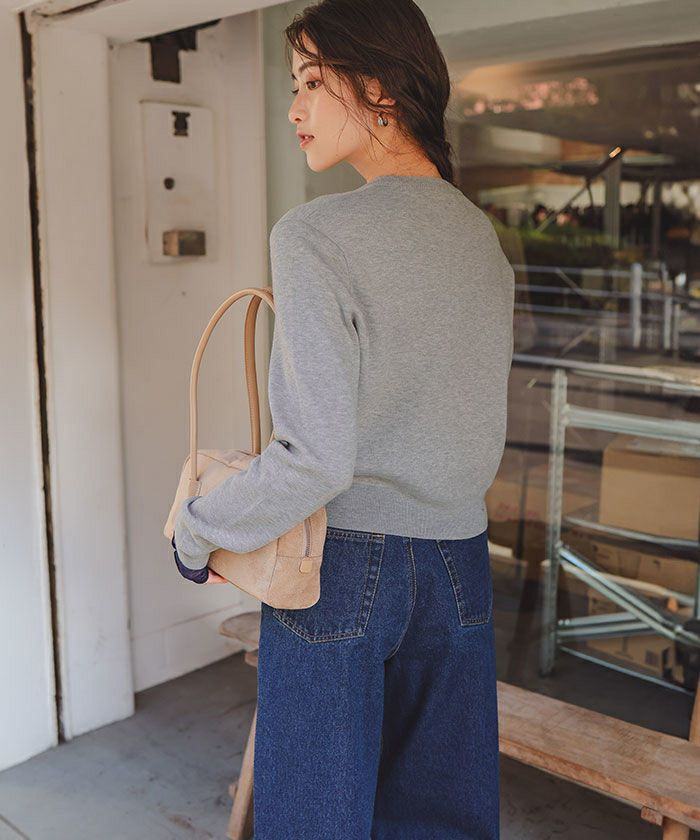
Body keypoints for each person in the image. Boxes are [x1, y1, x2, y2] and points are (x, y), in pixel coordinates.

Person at [172, 0, 514, 836]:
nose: (294, 107)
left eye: (311, 82)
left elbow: (315, 459)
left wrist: (197, 530)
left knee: (315, 822)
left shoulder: (316, 234)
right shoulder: (480, 237)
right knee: (442, 823)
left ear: (381, 88)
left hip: (341, 563)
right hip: (462, 564)